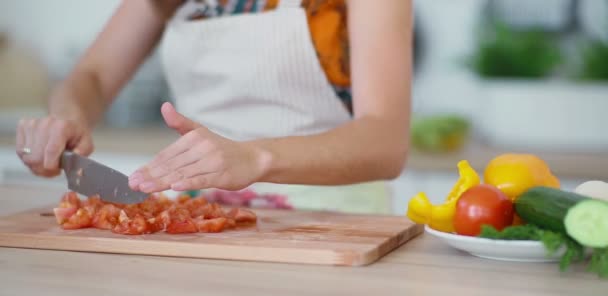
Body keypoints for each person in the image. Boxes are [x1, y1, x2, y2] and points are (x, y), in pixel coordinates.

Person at [15, 0, 412, 214]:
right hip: (200, 219)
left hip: (334, 221)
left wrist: (253, 156)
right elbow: (93, 76)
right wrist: (67, 116)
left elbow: (385, 140)